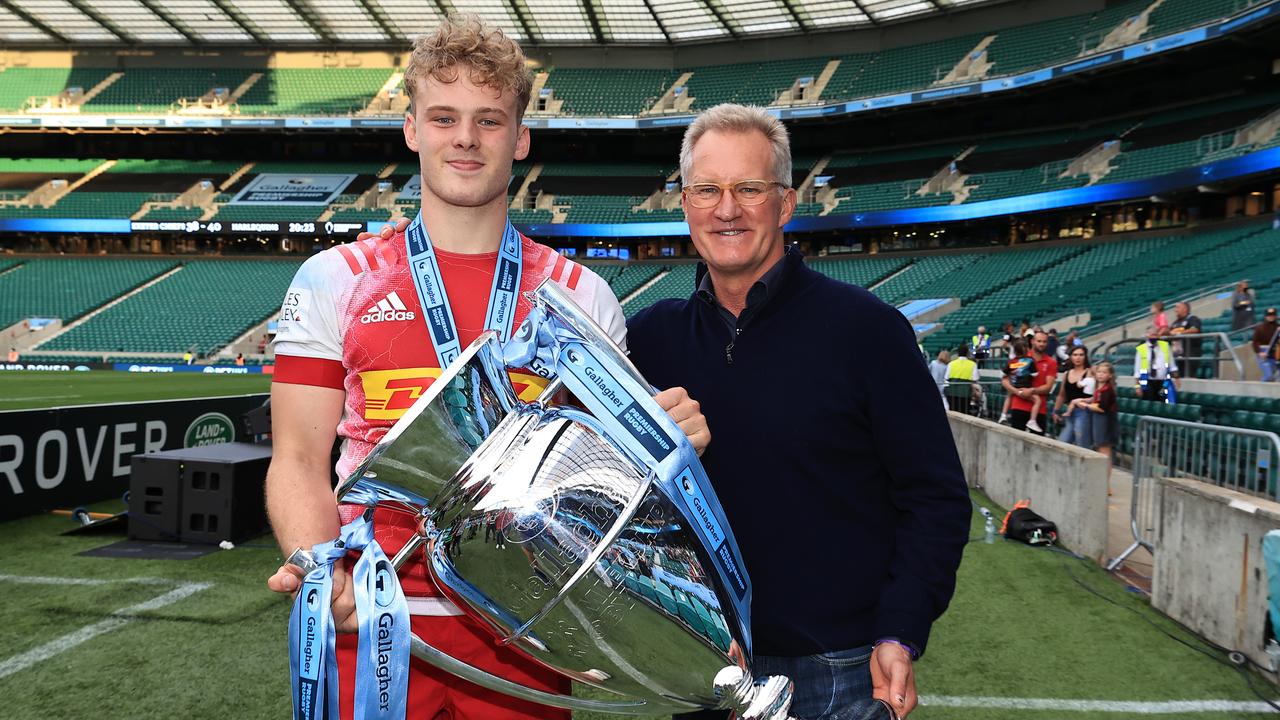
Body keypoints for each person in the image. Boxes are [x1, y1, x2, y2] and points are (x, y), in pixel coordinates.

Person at [264, 17, 710, 720]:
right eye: (444, 117)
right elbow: (295, 456)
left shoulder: (580, 297)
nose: (465, 138)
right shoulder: (334, 278)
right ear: (412, 129)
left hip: (525, 626)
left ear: (521, 138)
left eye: (489, 119)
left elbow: (604, 489)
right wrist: (324, 567)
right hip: (374, 613)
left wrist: (664, 445)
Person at [625, 103, 971, 720]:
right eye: (707, 189)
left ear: (785, 204)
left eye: (749, 189)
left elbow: (935, 497)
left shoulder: (868, 331)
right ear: (684, 204)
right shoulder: (644, 340)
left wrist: (901, 627)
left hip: (840, 668)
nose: (726, 208)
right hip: (706, 663)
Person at [1001, 330, 1057, 435]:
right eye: (1039, 341)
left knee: (1038, 446)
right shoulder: (1020, 358)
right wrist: (1018, 392)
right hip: (1019, 406)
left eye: (1044, 341)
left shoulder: (1051, 362)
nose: (1041, 344)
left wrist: (1031, 391)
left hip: (1039, 410)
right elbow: (1005, 380)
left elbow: (1048, 387)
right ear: (1032, 341)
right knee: (1016, 442)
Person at [1074, 360, 1117, 494]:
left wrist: (1086, 405)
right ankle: (1102, 483)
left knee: (1105, 452)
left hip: (1106, 422)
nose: (1100, 375)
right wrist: (1087, 400)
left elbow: (1101, 407)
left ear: (1110, 375)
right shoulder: (1099, 388)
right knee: (1100, 450)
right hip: (1099, 421)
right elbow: (1096, 400)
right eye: (1099, 372)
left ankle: (1106, 484)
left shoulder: (1108, 390)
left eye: (1104, 373)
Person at [1051, 345, 1093, 448]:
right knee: (1062, 444)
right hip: (1069, 412)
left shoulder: (1090, 372)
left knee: (1082, 445)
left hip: (1084, 411)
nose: (1078, 358)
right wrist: (1055, 411)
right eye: (1075, 355)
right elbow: (1061, 395)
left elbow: (1098, 392)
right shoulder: (1067, 373)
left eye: (1081, 355)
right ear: (1070, 357)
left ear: (1085, 357)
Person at [1134, 328, 1177, 401]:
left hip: (1163, 382)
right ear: (1147, 335)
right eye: (1152, 335)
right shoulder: (1141, 349)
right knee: (1150, 402)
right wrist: (1137, 386)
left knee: (1163, 400)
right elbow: (1137, 370)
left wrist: (1177, 378)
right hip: (1148, 381)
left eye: (1156, 335)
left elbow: (1172, 364)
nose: (1154, 337)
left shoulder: (1165, 346)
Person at [1169, 301, 1202, 378]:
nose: (1175, 310)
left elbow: (1195, 329)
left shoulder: (1192, 318)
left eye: (1178, 307)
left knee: (1188, 377)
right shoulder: (1175, 322)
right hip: (1177, 356)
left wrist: (1180, 333)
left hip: (1190, 356)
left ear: (1185, 309)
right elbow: (1170, 332)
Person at [945, 344, 981, 414]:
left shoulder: (951, 364)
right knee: (964, 413)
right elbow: (975, 378)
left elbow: (946, 377)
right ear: (967, 353)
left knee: (953, 413)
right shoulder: (972, 364)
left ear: (958, 353)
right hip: (965, 394)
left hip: (952, 393)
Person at [1252, 307, 1280, 382]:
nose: (1271, 317)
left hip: (1275, 353)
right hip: (1263, 352)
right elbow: (1255, 342)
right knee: (1268, 375)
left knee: (1277, 377)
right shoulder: (1259, 327)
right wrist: (1259, 352)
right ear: (1265, 316)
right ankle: (1260, 389)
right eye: (1269, 315)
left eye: (1273, 315)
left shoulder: (1278, 327)